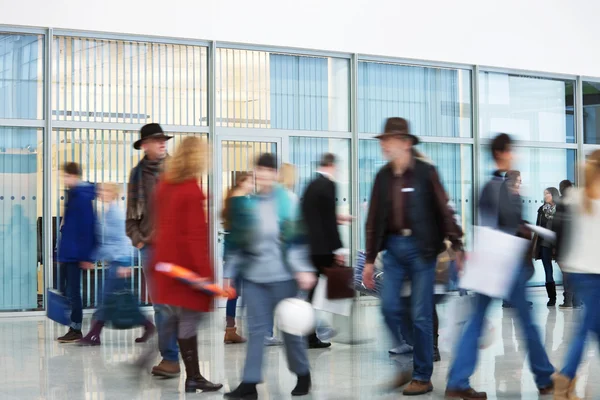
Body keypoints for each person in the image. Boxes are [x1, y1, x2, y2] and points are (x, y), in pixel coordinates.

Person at [445, 133, 555, 399]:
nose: (514, 155)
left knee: (478, 321)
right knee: (527, 323)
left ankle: (458, 381)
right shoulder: (500, 189)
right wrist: (524, 225)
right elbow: (506, 223)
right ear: (502, 153)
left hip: (490, 263)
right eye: (511, 151)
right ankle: (544, 376)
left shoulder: (488, 187)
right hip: (505, 264)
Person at [362, 117, 464, 396]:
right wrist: (369, 260)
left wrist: (457, 245)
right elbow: (373, 219)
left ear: (405, 143)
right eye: (382, 140)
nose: (383, 145)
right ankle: (406, 365)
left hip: (422, 251)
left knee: (421, 315)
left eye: (389, 140)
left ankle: (422, 375)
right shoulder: (383, 176)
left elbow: (444, 209)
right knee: (388, 308)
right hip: (393, 249)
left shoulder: (426, 173)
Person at [224, 153, 317, 400]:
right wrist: (228, 274)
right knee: (256, 332)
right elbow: (237, 242)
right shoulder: (249, 203)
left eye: (268, 171)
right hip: (254, 278)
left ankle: (302, 372)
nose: (263, 175)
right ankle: (250, 383)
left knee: (290, 332)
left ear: (275, 174)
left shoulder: (287, 202)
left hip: (284, 278)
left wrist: (303, 269)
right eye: (259, 170)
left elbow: (298, 240)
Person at [151, 136, 222, 393]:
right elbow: (194, 238)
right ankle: (193, 377)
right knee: (189, 319)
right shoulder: (191, 190)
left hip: (167, 264)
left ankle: (191, 374)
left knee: (179, 317)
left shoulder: (165, 186)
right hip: (187, 269)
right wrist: (205, 275)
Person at [126, 123, 179, 377]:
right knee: (161, 306)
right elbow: (131, 219)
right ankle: (170, 359)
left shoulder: (178, 170)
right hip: (151, 248)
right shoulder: (137, 175)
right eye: (157, 140)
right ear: (144, 145)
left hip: (177, 248)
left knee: (179, 305)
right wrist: (139, 241)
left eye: (164, 140)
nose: (162, 144)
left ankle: (177, 358)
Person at [79, 183, 155, 346]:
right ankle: (148, 325)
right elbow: (106, 243)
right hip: (115, 261)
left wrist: (126, 263)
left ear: (113, 194)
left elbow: (125, 240)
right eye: (101, 190)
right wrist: (92, 258)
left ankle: (94, 335)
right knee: (118, 299)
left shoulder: (116, 213)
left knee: (106, 298)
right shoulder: (106, 212)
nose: (102, 193)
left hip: (120, 263)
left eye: (106, 190)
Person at [552, 150, 600, 400]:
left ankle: (567, 382)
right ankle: (566, 377)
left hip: (576, 271)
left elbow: (559, 229)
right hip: (595, 273)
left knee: (593, 326)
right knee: (585, 328)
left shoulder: (575, 196)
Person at [301, 153, 345, 349]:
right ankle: (323, 330)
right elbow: (328, 220)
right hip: (324, 248)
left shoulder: (310, 185)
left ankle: (310, 334)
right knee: (330, 291)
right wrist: (339, 248)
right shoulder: (328, 184)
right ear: (331, 166)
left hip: (309, 247)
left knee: (311, 293)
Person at [56, 162, 96, 343]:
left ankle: (76, 329)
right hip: (68, 252)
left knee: (73, 292)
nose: (63, 179)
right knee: (66, 290)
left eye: (65, 176)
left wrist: (87, 256)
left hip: (75, 253)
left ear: (73, 175)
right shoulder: (73, 194)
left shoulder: (81, 196)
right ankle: (73, 325)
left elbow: (88, 227)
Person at [222, 172, 253, 345]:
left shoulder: (230, 201)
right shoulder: (243, 202)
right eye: (249, 181)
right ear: (241, 182)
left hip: (232, 253)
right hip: (243, 253)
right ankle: (238, 329)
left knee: (234, 294)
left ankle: (230, 330)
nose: (252, 185)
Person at [535, 187, 560, 306]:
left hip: (559, 245)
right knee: (548, 271)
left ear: (554, 194)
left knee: (565, 270)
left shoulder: (560, 209)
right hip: (545, 244)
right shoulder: (541, 210)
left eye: (548, 194)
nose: (545, 196)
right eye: (544, 194)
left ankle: (571, 297)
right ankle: (552, 298)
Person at [557, 179, 579, 309]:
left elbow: (558, 226)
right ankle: (576, 301)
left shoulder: (561, 203)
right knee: (573, 273)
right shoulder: (577, 202)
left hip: (564, 244)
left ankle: (568, 300)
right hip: (575, 243)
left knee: (566, 274)